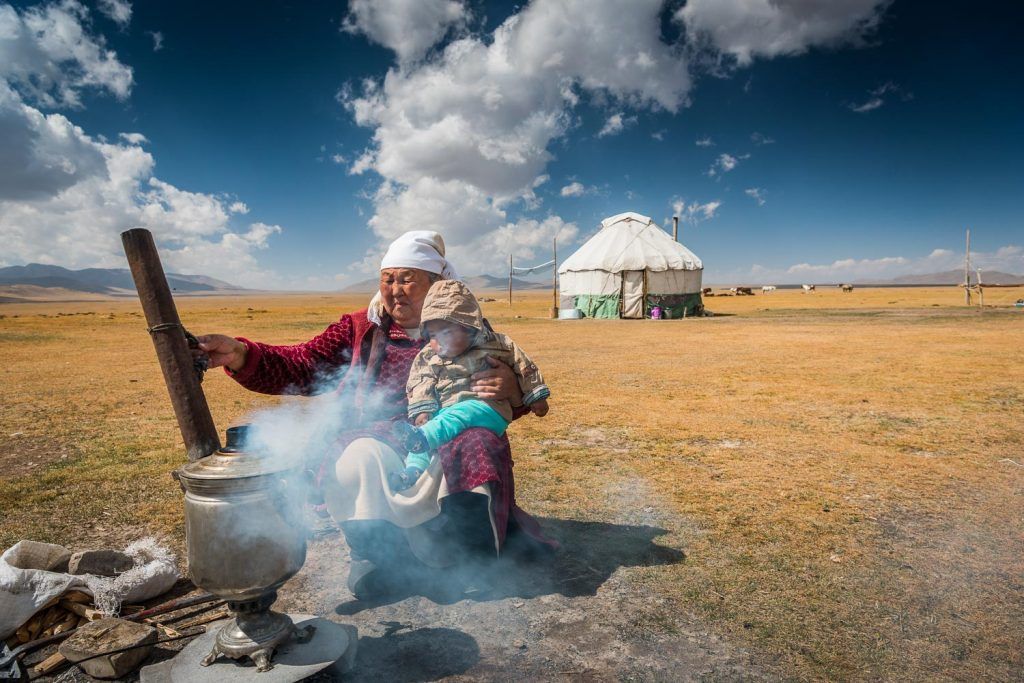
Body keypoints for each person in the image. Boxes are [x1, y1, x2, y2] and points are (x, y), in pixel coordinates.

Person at [195, 231, 556, 599]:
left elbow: (502, 400)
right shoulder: (358, 328)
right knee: (355, 457)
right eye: (388, 279)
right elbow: (302, 364)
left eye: (407, 278)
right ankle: (377, 556)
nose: (395, 289)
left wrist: (513, 389)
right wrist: (240, 354)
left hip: (446, 435)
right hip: (376, 437)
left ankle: (466, 557)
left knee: (478, 442)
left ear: (436, 284)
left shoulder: (468, 328)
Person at [390, 279, 550, 492]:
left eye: (445, 333)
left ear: (469, 327)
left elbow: (524, 366)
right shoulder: (428, 355)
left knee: (453, 418)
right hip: (445, 413)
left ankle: (425, 439)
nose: (436, 342)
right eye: (432, 335)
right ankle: (412, 471)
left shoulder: (497, 344)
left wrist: (536, 396)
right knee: (423, 438)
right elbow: (420, 380)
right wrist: (422, 409)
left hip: (486, 408)